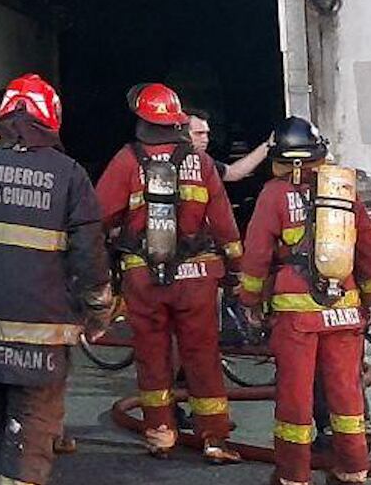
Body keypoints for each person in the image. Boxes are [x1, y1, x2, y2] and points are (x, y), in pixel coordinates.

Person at [0, 74, 113, 485]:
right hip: (42, 336)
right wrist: (97, 310)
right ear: (51, 119)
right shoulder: (69, 175)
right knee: (32, 426)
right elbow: (89, 254)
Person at [96, 83, 244, 463]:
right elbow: (224, 224)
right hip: (197, 278)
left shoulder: (127, 160)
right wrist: (235, 271)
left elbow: (100, 215)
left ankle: (161, 433)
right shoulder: (202, 163)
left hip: (144, 277)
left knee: (152, 355)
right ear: (176, 122)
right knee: (203, 355)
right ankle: (214, 438)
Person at [236, 117, 371, 485]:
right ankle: (353, 469)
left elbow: (255, 256)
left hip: (296, 316)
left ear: (280, 159)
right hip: (345, 309)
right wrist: (367, 301)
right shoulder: (344, 191)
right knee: (347, 394)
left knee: (295, 398)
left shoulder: (273, 195)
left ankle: (293, 475)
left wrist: (250, 300)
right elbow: (369, 252)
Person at [188, 112, 273, 184]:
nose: (205, 140)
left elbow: (233, 173)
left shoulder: (204, 163)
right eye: (198, 133)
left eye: (206, 134)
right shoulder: (175, 161)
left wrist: (267, 145)